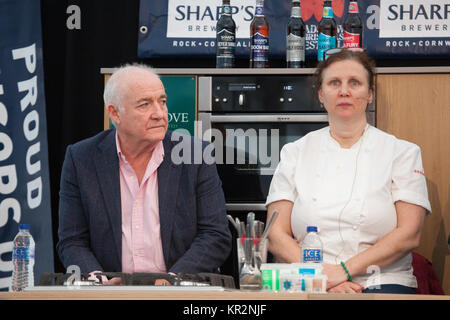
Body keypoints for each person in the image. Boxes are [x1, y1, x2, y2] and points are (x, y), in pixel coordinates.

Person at [265, 49, 431, 294]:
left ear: (370, 94)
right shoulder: (295, 152)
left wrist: (342, 271)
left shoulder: (402, 152)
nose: (344, 91)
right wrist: (322, 278)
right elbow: (275, 234)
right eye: (334, 83)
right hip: (310, 282)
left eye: (355, 83)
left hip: (382, 282)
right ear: (321, 95)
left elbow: (409, 234)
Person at [57, 64, 232, 284]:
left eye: (162, 101)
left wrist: (173, 279)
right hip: (109, 296)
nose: (159, 114)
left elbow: (215, 235)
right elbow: (72, 241)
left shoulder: (196, 155)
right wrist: (98, 281)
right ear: (114, 113)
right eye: (145, 104)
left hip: (178, 292)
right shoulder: (81, 158)